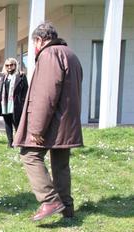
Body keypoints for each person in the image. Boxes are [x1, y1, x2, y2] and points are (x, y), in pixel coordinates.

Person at [13, 22, 83, 221]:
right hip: (67, 122)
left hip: (53, 121)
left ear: (39, 40)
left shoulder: (49, 55)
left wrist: (36, 128)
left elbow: (46, 95)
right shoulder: (71, 54)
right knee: (60, 164)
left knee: (29, 155)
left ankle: (50, 200)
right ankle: (67, 208)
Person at [0, 58, 28, 147]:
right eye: (7, 65)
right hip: (4, 104)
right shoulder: (3, 76)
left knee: (17, 123)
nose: (9, 67)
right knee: (7, 123)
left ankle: (19, 142)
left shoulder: (21, 76)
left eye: (11, 65)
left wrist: (24, 104)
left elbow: (26, 91)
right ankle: (10, 143)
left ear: (15, 65)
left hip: (16, 103)